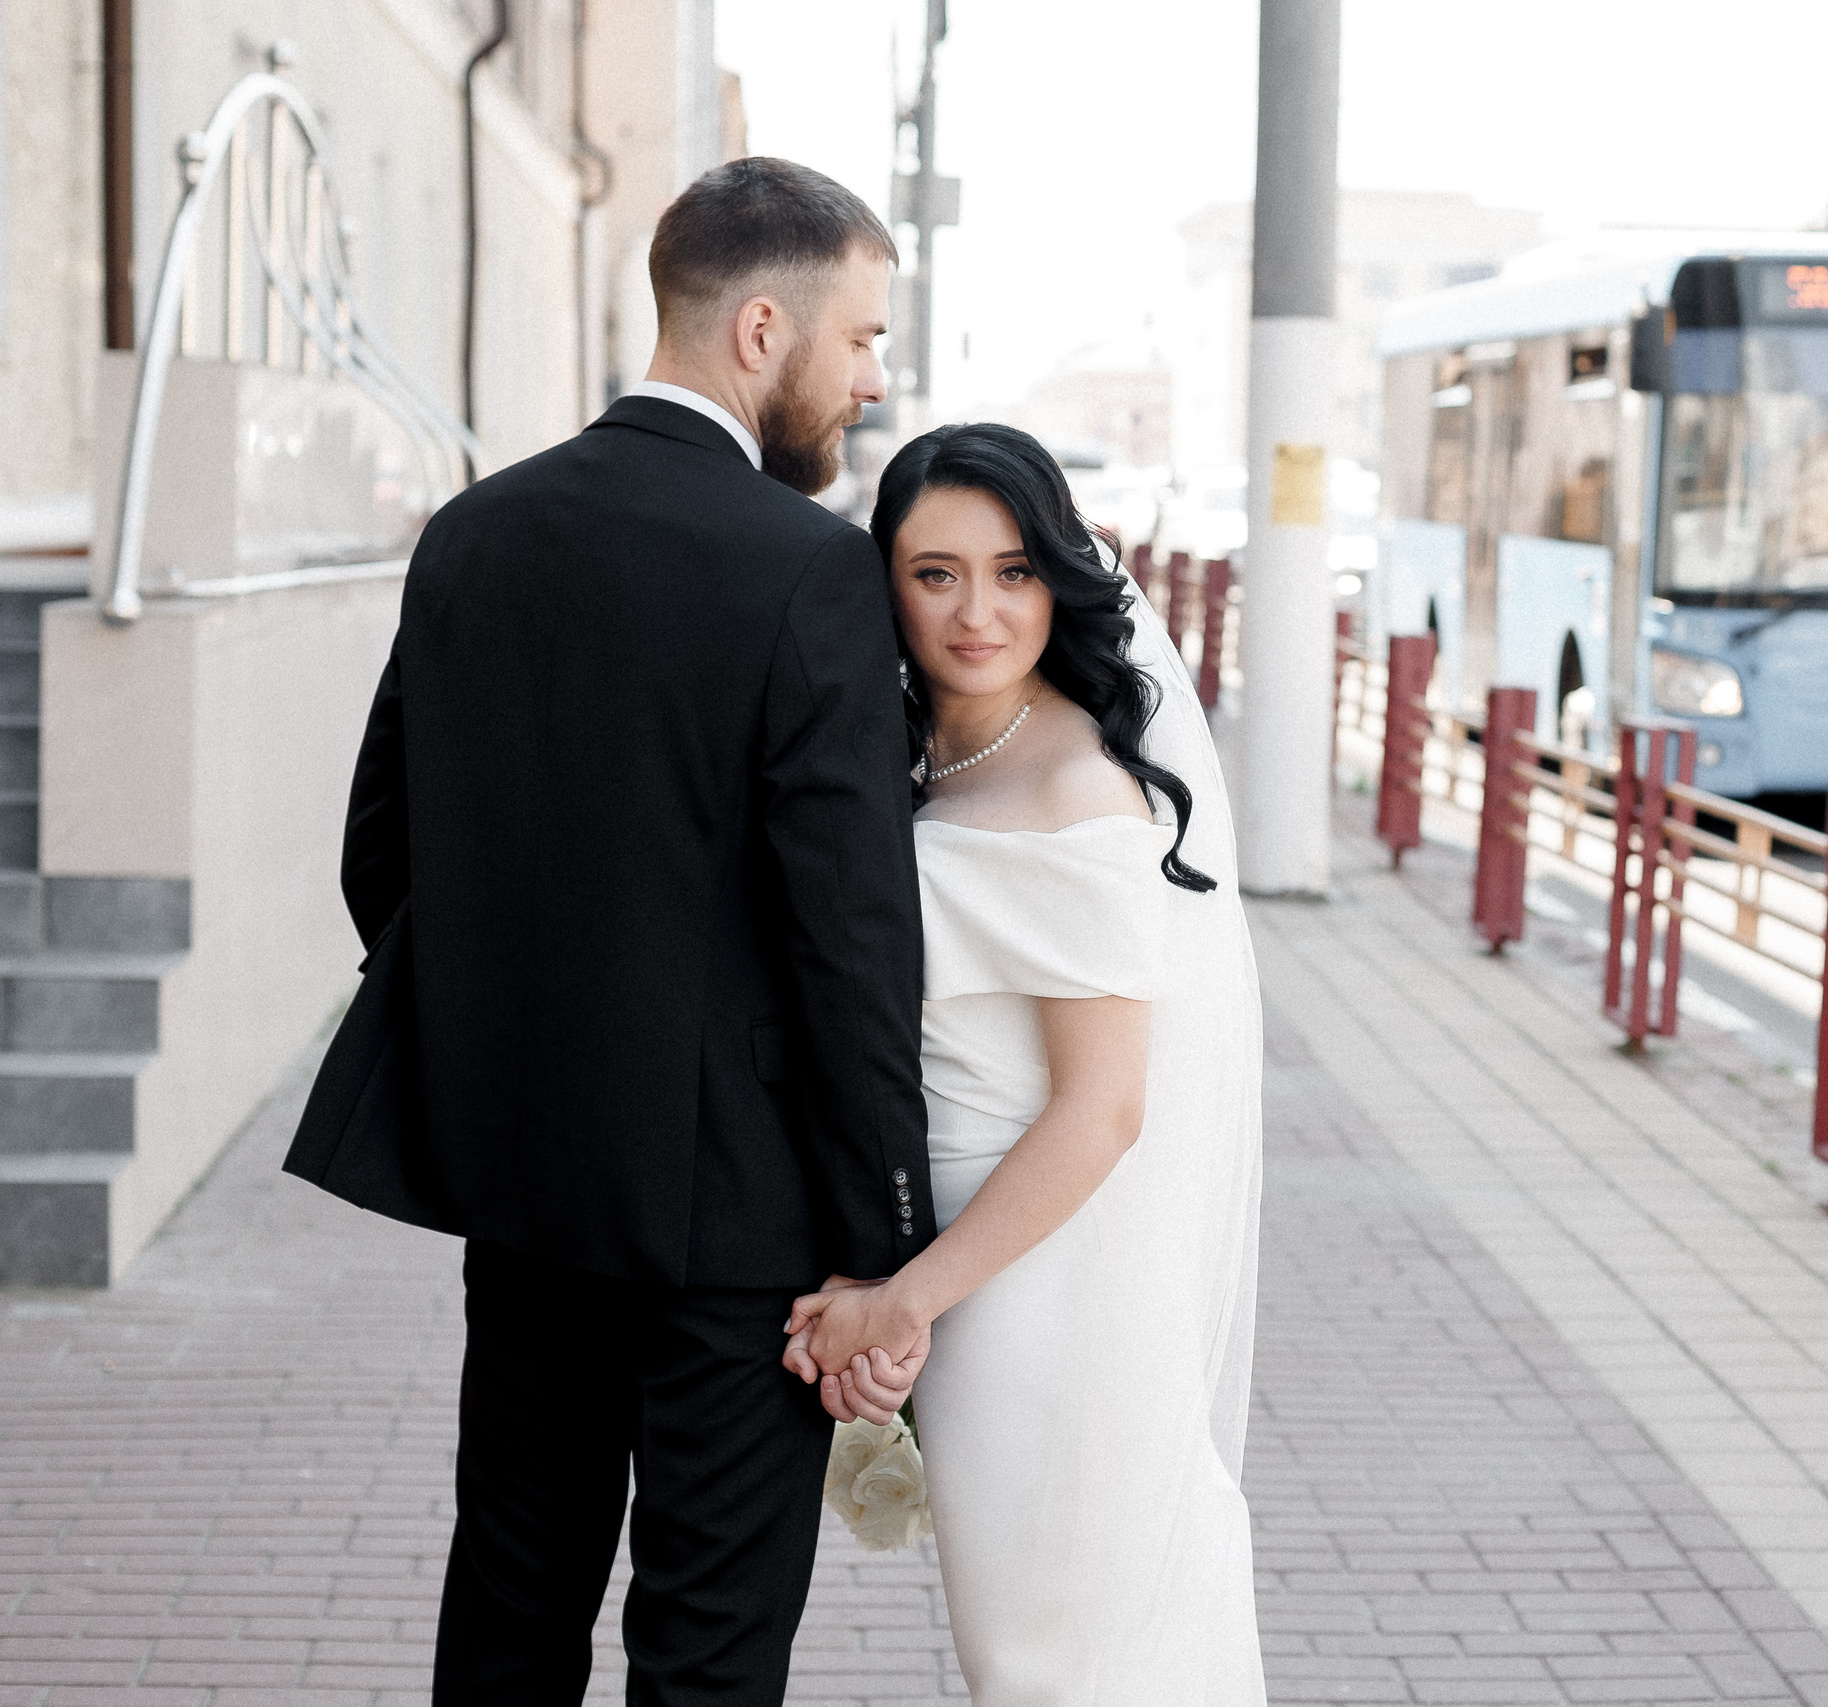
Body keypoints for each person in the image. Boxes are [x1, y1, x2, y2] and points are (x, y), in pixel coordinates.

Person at [285, 157, 932, 1702]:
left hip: (524, 1192)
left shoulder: (474, 534)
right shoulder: (810, 574)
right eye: (861, 339)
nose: (871, 376)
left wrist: (521, 1028)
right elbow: (854, 953)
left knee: (508, 1608)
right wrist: (883, 1254)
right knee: (704, 1646)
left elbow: (385, 850)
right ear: (763, 328)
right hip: (743, 1229)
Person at [785, 422, 1268, 1703]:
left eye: (1013, 571)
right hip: (975, 1268)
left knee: (1057, 1654)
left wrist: (907, 1303)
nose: (978, 612)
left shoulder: (1080, 793)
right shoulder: (922, 757)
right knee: (1024, 1648)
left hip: (1058, 1287)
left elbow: (1104, 1111)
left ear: (1062, 577)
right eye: (935, 572)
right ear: (885, 580)